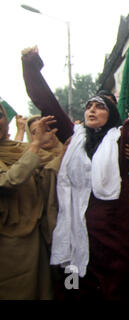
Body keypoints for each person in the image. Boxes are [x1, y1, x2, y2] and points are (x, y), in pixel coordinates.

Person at [22, 46, 129, 300]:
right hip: (76, 234)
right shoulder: (74, 137)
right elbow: (47, 102)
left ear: (111, 115)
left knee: (120, 291)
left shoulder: (121, 139)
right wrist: (30, 65)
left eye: (99, 107)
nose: (91, 110)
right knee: (76, 290)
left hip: (115, 238)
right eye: (89, 106)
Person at [0, 103, 61, 299]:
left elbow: (54, 163)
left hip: (37, 232)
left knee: (43, 289)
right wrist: (35, 144)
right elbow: (10, 180)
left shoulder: (20, 149)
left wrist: (67, 146)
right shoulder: (30, 149)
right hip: (9, 241)